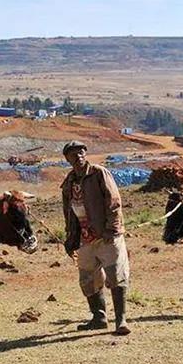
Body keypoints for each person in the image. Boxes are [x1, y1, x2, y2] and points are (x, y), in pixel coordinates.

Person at [61, 140, 131, 335]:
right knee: (88, 279)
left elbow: (114, 202)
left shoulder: (99, 173)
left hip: (106, 235)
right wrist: (70, 237)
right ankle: (99, 317)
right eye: (73, 154)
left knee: (116, 275)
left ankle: (121, 320)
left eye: (81, 152)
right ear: (67, 159)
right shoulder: (69, 181)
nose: (79, 156)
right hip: (84, 238)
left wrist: (113, 229)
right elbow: (68, 212)